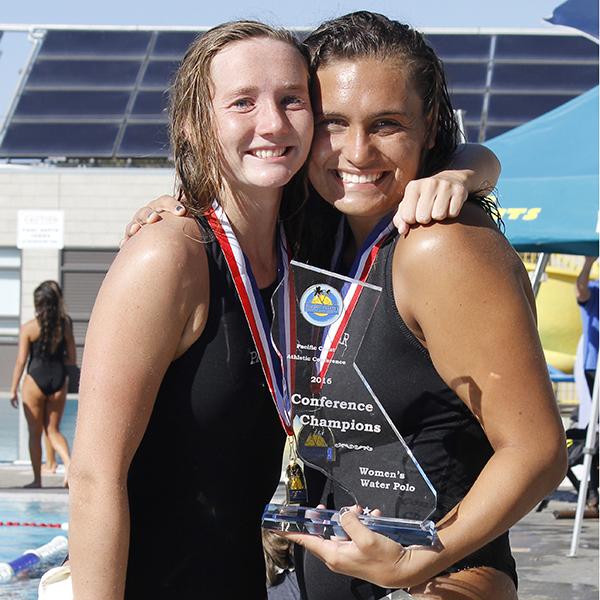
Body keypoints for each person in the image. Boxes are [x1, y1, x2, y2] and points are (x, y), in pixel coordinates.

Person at [130, 13, 567, 600]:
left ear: (428, 123)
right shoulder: (316, 232)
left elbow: (539, 451)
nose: (357, 152)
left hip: (437, 582)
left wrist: (417, 559)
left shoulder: (439, 244)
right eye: (334, 123)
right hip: (315, 576)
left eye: (386, 124)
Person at [9, 280, 75, 488]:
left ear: (38, 304)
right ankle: (69, 465)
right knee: (53, 430)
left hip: (34, 381)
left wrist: (13, 389)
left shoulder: (28, 328)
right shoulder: (65, 325)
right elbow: (72, 359)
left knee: (34, 432)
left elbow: (21, 361)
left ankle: (37, 480)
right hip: (58, 380)